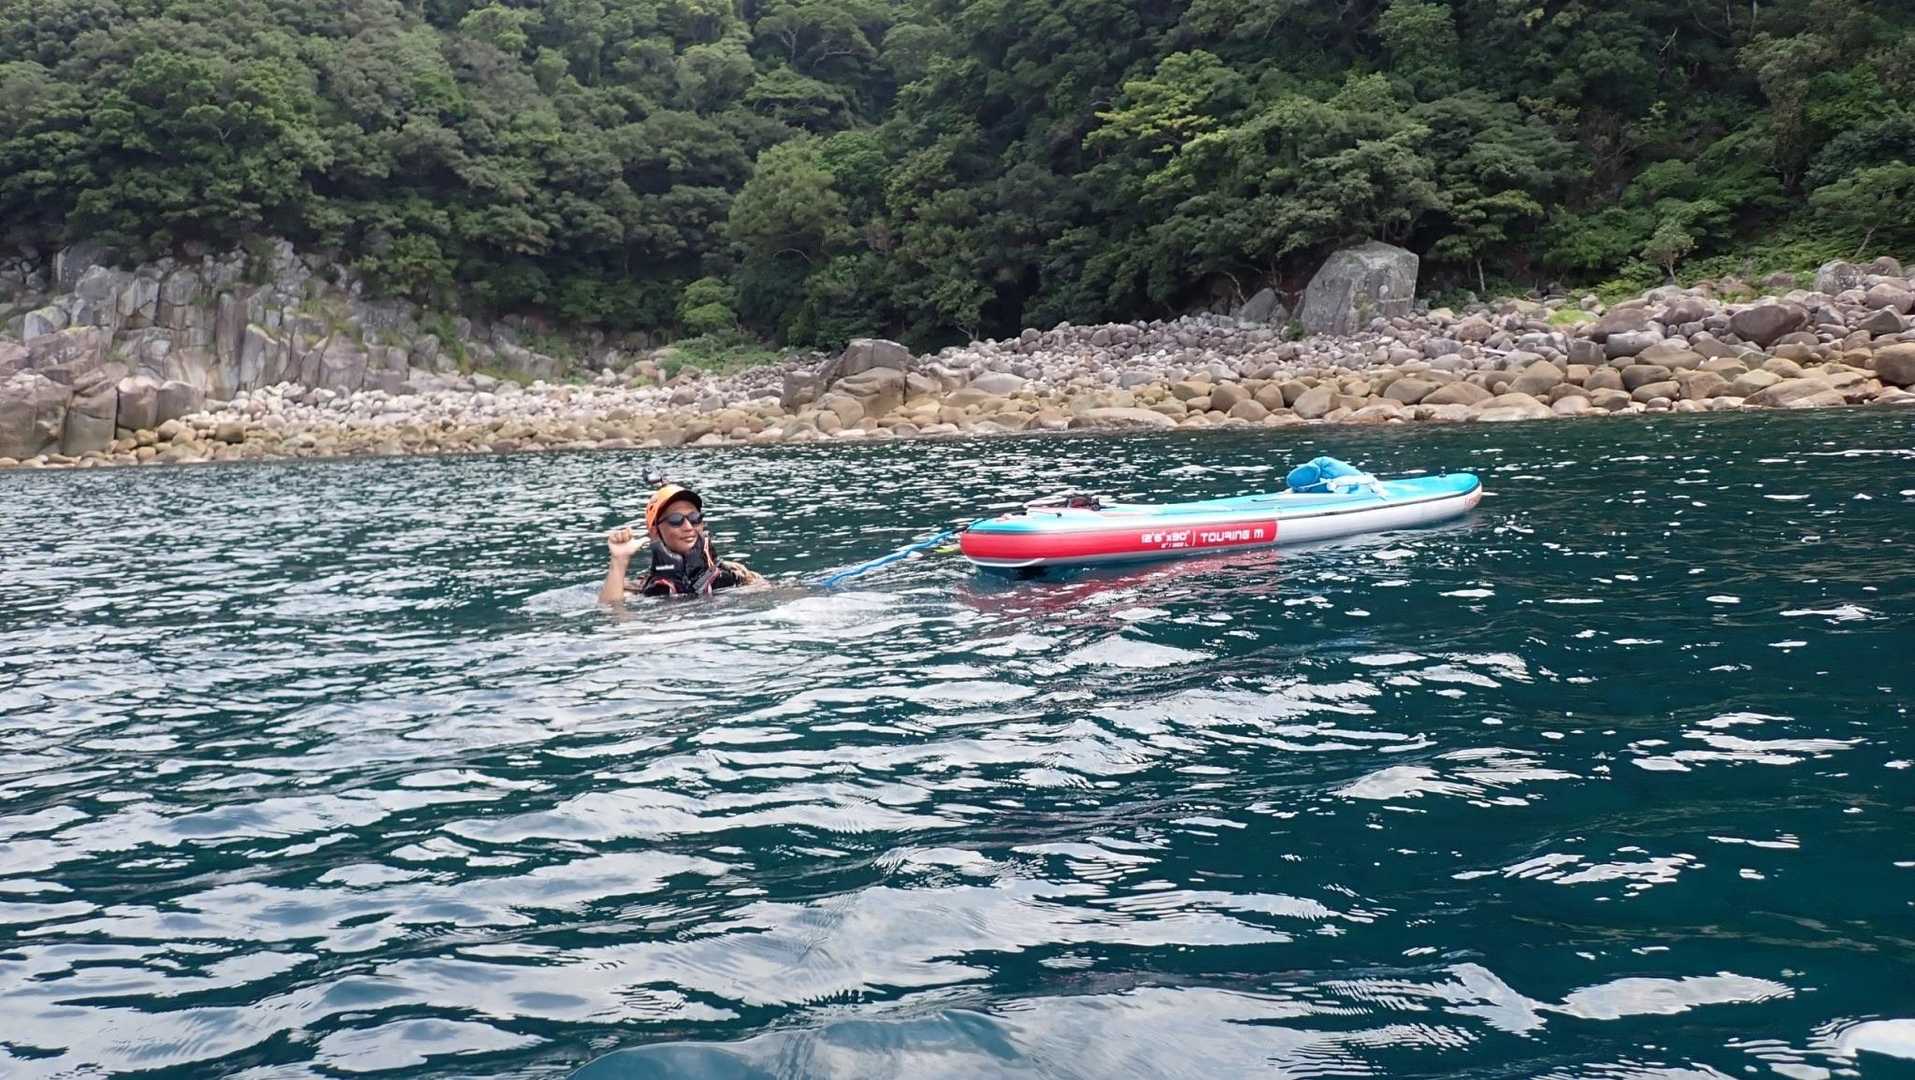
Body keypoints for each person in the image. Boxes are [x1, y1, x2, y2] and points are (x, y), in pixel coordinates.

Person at [599, 484, 764, 603]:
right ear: (654, 531)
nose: (689, 527)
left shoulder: (738, 575)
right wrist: (619, 560)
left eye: (695, 518)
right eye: (676, 520)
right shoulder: (641, 589)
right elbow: (611, 613)